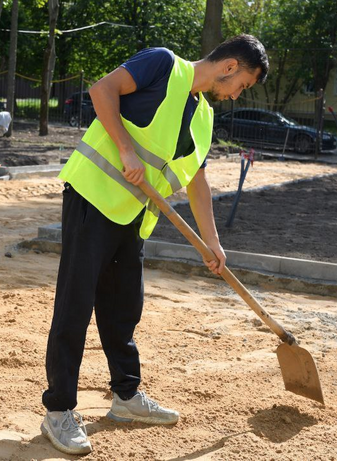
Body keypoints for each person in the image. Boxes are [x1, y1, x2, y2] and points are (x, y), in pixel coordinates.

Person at [40, 35, 269, 455]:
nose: (238, 94)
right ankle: (58, 411)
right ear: (230, 66)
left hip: (132, 217)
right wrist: (125, 149)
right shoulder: (164, 65)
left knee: (124, 307)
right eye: (243, 85)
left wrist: (211, 242)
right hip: (94, 196)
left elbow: (197, 180)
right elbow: (101, 89)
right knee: (75, 304)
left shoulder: (203, 116)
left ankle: (126, 398)